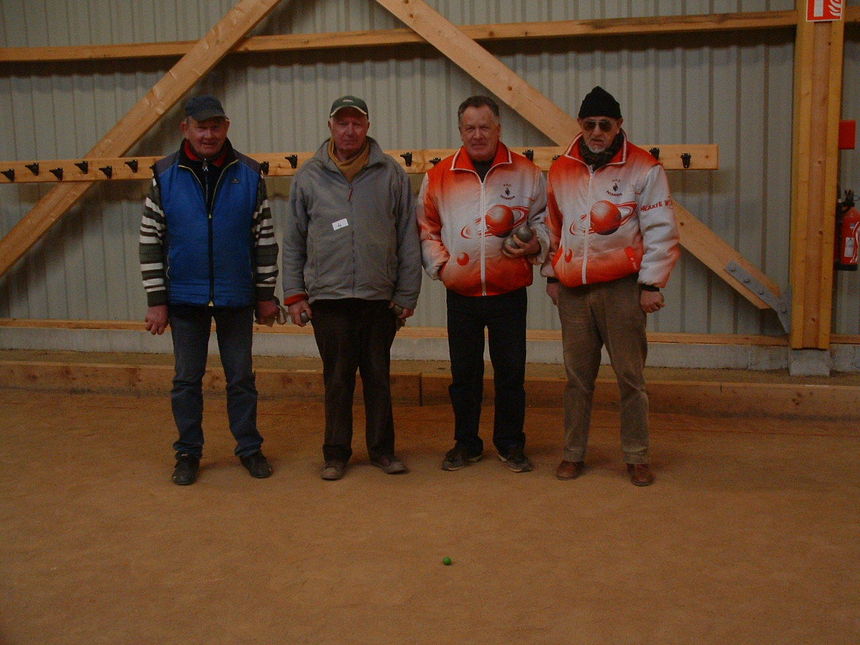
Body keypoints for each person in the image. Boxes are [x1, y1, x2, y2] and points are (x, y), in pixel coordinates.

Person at [543, 86, 680, 486]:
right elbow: (554, 226)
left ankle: (636, 456)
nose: (597, 131)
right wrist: (553, 275)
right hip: (573, 291)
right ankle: (573, 454)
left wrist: (651, 283)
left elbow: (661, 231)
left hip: (623, 288)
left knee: (630, 378)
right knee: (576, 379)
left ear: (619, 125)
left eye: (605, 124)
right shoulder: (561, 168)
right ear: (581, 126)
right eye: (590, 124)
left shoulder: (644, 168)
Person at [139, 94, 279, 486]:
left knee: (241, 379)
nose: (209, 134)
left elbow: (264, 238)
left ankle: (249, 449)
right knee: (186, 380)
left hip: (237, 296)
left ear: (226, 127)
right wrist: (157, 301)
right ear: (185, 128)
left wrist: (265, 294)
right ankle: (187, 453)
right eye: (201, 126)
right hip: (184, 298)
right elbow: (150, 239)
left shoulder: (250, 173)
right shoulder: (163, 174)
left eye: (216, 126)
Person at [282, 95, 421, 481]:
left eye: (356, 123)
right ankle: (335, 454)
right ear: (330, 127)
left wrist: (407, 294)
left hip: (379, 299)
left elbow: (407, 236)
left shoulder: (391, 174)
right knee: (337, 380)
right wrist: (294, 294)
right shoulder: (308, 177)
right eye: (342, 123)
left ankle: (383, 451)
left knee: (378, 377)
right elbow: (293, 240)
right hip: (329, 299)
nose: (349, 130)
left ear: (367, 126)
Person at [417, 95, 549, 473]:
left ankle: (510, 443)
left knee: (511, 374)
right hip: (461, 295)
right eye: (469, 128)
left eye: (484, 127)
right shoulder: (438, 176)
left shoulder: (526, 173)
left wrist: (538, 241)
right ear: (460, 131)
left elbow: (546, 220)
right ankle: (466, 443)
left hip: (509, 292)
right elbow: (426, 227)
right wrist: (441, 267)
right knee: (464, 376)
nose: (477, 135)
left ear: (498, 129)